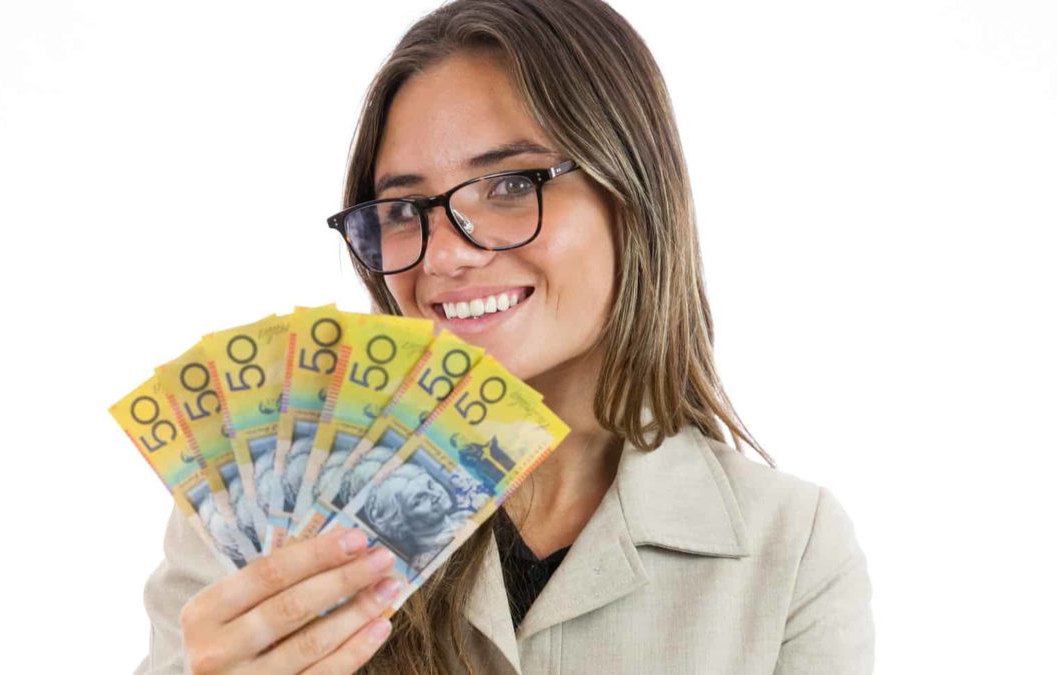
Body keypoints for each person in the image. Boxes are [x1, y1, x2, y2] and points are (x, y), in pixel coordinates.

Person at [137, 1, 875, 673]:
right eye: (402, 209)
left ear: (635, 193)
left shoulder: (791, 547)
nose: (445, 253)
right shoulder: (259, 513)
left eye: (513, 184)